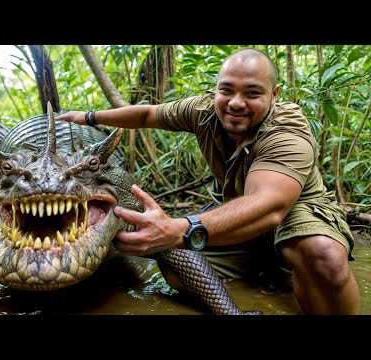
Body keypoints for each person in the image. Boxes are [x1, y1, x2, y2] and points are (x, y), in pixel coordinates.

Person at [56, 48, 360, 315]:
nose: (236, 103)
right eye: (226, 90)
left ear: (274, 94)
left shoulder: (288, 133)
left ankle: (294, 269)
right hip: (235, 207)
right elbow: (148, 114)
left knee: (323, 256)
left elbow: (270, 207)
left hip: (293, 212)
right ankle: (264, 267)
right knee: (176, 266)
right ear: (216, 89)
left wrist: (179, 229)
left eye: (252, 93)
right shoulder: (203, 111)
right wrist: (88, 116)